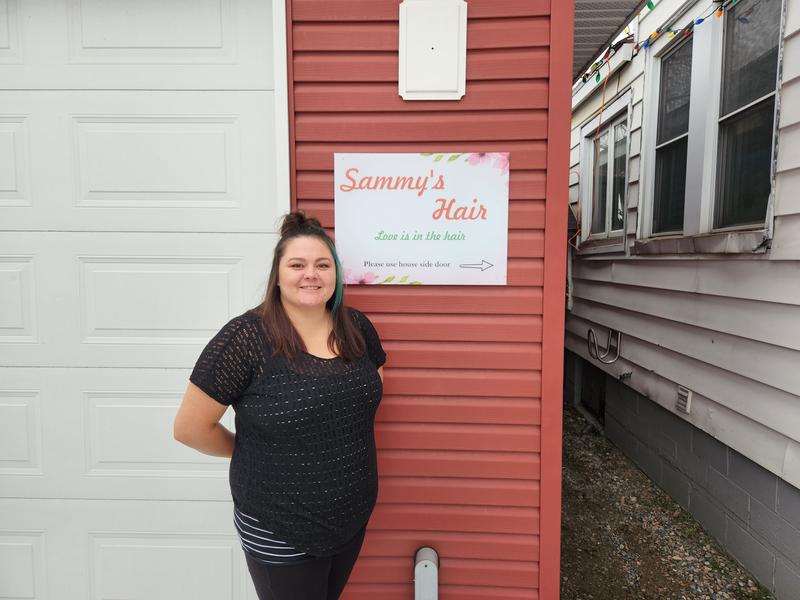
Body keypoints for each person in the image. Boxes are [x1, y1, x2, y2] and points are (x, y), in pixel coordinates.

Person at [174, 211, 386, 600]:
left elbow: (368, 397)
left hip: (351, 517)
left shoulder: (357, 328)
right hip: (280, 525)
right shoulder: (244, 339)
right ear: (278, 274)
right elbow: (189, 428)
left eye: (323, 265)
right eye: (297, 264)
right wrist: (252, 451)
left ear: (336, 274)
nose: (311, 274)